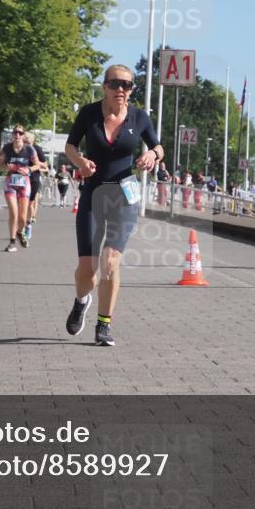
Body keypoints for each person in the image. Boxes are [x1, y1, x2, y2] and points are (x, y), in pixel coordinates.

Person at [64, 64, 163, 347]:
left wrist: (152, 155)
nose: (121, 89)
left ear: (132, 90)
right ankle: (81, 300)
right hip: (93, 194)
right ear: (105, 86)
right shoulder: (89, 113)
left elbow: (158, 146)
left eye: (127, 85)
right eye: (116, 84)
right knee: (87, 270)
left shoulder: (139, 117)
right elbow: (70, 146)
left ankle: (104, 325)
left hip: (125, 195)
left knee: (110, 261)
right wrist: (80, 162)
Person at [0, 125, 38, 251]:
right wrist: (6, 167)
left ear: (23, 135)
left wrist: (28, 169)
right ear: (12, 134)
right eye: (15, 132)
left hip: (24, 183)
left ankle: (20, 232)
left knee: (22, 217)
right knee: (13, 213)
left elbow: (38, 165)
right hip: (10, 182)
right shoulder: (6, 148)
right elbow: (0, 164)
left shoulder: (29, 149)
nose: (17, 135)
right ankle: (12, 242)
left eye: (20, 133)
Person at [23, 131, 48, 240]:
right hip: (21, 179)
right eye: (25, 142)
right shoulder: (19, 148)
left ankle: (28, 225)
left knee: (30, 203)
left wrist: (34, 161)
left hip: (33, 178)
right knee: (21, 203)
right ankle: (21, 225)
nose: (26, 144)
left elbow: (45, 165)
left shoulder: (37, 149)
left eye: (28, 142)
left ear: (32, 141)